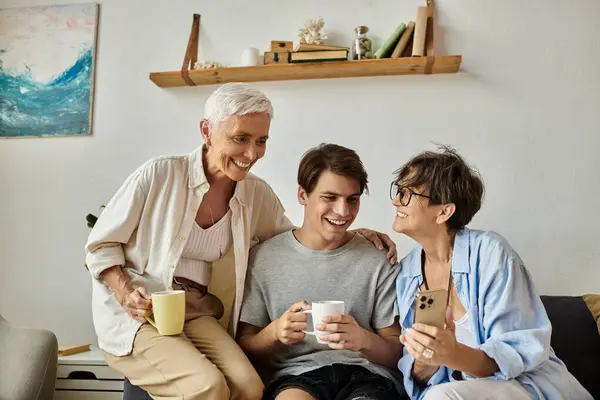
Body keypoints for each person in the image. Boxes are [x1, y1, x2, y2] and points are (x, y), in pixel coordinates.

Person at [85, 83, 398, 400]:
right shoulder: (160, 175)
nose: (252, 154)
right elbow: (100, 245)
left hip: (195, 311)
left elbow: (297, 237)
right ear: (207, 130)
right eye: (240, 139)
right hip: (140, 314)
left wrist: (348, 232)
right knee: (206, 385)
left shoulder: (255, 193)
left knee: (249, 388)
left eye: (261, 141)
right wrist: (125, 293)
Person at [391, 146, 592, 400]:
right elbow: (420, 376)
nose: (396, 200)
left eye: (408, 193)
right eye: (398, 191)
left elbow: (513, 355)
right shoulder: (409, 273)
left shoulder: (489, 253)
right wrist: (426, 359)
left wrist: (453, 354)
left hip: (525, 386)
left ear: (444, 211)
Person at [237, 143, 408, 400]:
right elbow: (245, 346)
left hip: (368, 376)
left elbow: (398, 353)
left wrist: (362, 339)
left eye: (352, 199)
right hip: (296, 377)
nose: (343, 211)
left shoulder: (377, 257)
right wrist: (274, 333)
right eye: (330, 198)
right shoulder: (264, 258)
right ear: (303, 195)